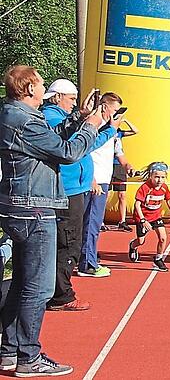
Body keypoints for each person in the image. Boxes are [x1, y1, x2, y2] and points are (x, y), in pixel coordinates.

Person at [0, 65, 105, 376]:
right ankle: (29, 356)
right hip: (34, 208)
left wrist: (78, 118)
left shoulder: (14, 115)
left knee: (21, 283)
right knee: (39, 288)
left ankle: (9, 350)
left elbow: (48, 140)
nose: (43, 90)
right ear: (29, 89)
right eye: (40, 85)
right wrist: (92, 126)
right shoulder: (22, 119)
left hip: (22, 206)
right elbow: (67, 152)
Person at [41, 80, 119, 312]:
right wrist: (85, 119)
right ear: (57, 97)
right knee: (68, 243)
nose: (75, 104)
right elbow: (69, 147)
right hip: (67, 189)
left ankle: (58, 290)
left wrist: (108, 129)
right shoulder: (52, 118)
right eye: (72, 99)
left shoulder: (63, 118)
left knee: (69, 241)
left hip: (75, 187)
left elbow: (87, 144)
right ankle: (60, 295)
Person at [79, 92, 126, 278]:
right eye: (114, 110)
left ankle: (88, 257)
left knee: (94, 223)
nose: (116, 115)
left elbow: (115, 151)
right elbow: (85, 151)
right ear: (104, 107)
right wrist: (92, 179)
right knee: (91, 221)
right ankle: (88, 263)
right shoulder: (94, 126)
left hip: (104, 179)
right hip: (94, 181)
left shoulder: (110, 129)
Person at [129, 162, 170, 272]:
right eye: (156, 177)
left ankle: (158, 258)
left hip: (156, 216)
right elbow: (137, 204)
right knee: (141, 241)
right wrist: (143, 220)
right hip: (143, 217)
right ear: (151, 176)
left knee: (163, 237)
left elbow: (169, 200)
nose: (159, 180)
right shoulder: (145, 188)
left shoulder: (164, 188)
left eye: (162, 177)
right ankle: (133, 246)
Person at [111, 119, 138, 232]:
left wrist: (125, 120)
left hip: (119, 166)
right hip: (107, 164)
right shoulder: (105, 130)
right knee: (105, 195)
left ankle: (122, 221)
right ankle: (101, 221)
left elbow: (135, 131)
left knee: (122, 194)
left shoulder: (119, 132)